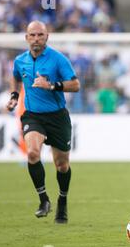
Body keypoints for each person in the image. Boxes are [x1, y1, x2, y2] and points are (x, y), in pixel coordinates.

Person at [6, 21, 80, 223]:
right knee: (32, 153)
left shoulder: (58, 59)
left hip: (57, 116)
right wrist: (14, 96)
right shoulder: (20, 61)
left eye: (40, 34)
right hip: (33, 115)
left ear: (47, 37)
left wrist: (51, 85)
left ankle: (62, 202)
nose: (36, 38)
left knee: (62, 165)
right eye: (33, 35)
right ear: (26, 38)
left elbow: (75, 85)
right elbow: (15, 78)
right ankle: (43, 200)